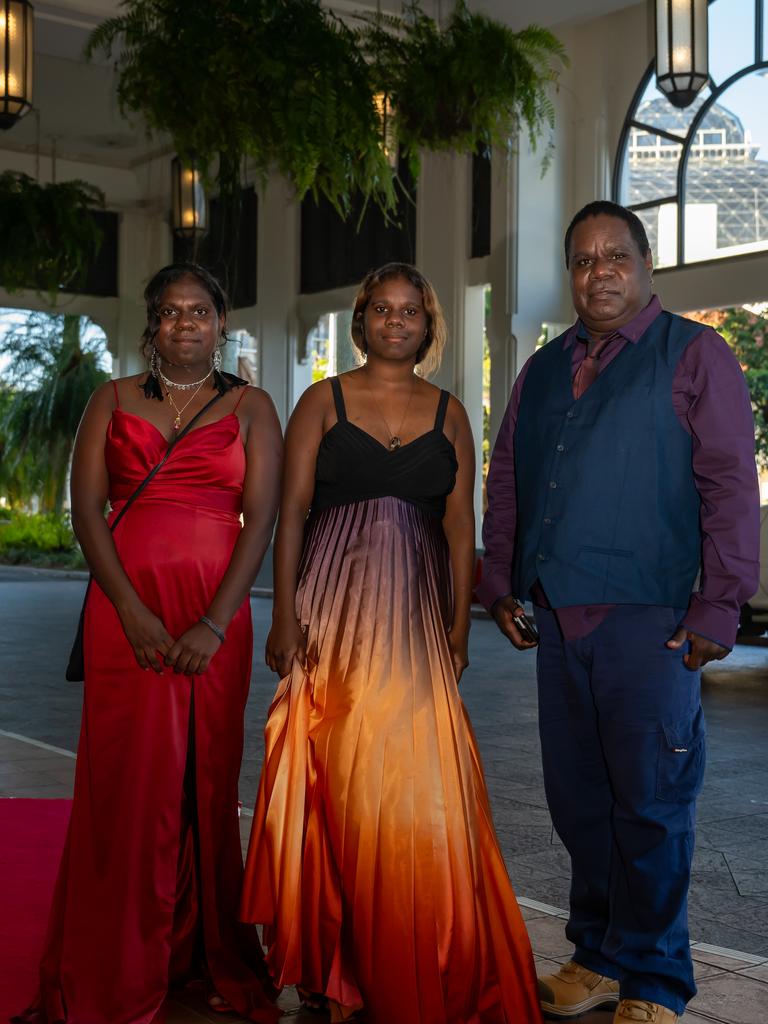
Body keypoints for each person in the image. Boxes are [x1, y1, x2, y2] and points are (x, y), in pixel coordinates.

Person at [478, 201, 760, 1024]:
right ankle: (598, 953)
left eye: (615, 257)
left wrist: (720, 604)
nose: (599, 273)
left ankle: (656, 978)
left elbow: (728, 485)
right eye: (583, 260)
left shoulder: (695, 355)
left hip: (651, 618)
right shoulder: (542, 367)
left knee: (651, 799)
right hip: (558, 618)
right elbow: (507, 482)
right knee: (578, 798)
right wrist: (501, 583)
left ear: (646, 267)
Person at [240, 263, 544, 1023]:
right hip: (332, 616)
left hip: (413, 619)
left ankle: (411, 946)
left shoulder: (449, 413)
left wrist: (455, 628)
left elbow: (456, 524)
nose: (396, 321)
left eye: (411, 311)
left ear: (429, 326)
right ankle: (332, 959)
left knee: (415, 786)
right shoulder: (322, 400)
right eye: (382, 308)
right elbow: (294, 511)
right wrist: (282, 616)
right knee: (336, 779)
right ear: (362, 320)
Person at [16, 264, 282, 1024]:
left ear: (222, 321)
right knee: (127, 787)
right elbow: (88, 515)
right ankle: (117, 960)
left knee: (206, 778)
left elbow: (259, 519)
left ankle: (199, 950)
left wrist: (216, 621)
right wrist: (128, 608)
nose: (186, 324)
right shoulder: (110, 400)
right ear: (152, 325)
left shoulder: (255, 407)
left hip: (214, 615)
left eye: (199, 311)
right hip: (123, 613)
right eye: (170, 313)